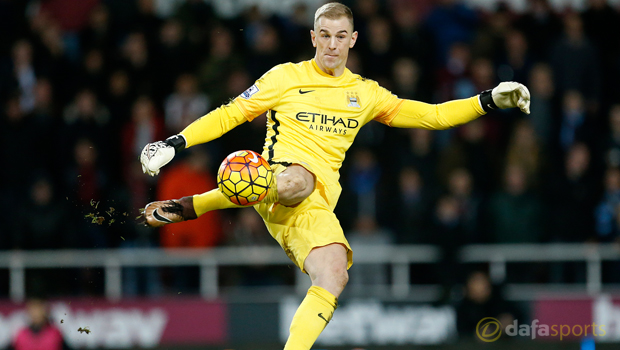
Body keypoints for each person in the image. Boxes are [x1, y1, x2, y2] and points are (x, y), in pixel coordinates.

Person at [139, 3, 530, 349]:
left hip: (313, 208)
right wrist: (176, 143)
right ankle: (215, 199)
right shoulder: (285, 77)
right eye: (324, 35)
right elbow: (229, 114)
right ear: (312, 36)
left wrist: (490, 99)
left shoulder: (366, 93)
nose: (331, 44)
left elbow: (433, 115)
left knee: (334, 274)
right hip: (276, 177)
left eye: (340, 36)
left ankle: (197, 207)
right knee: (299, 178)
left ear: (354, 39)